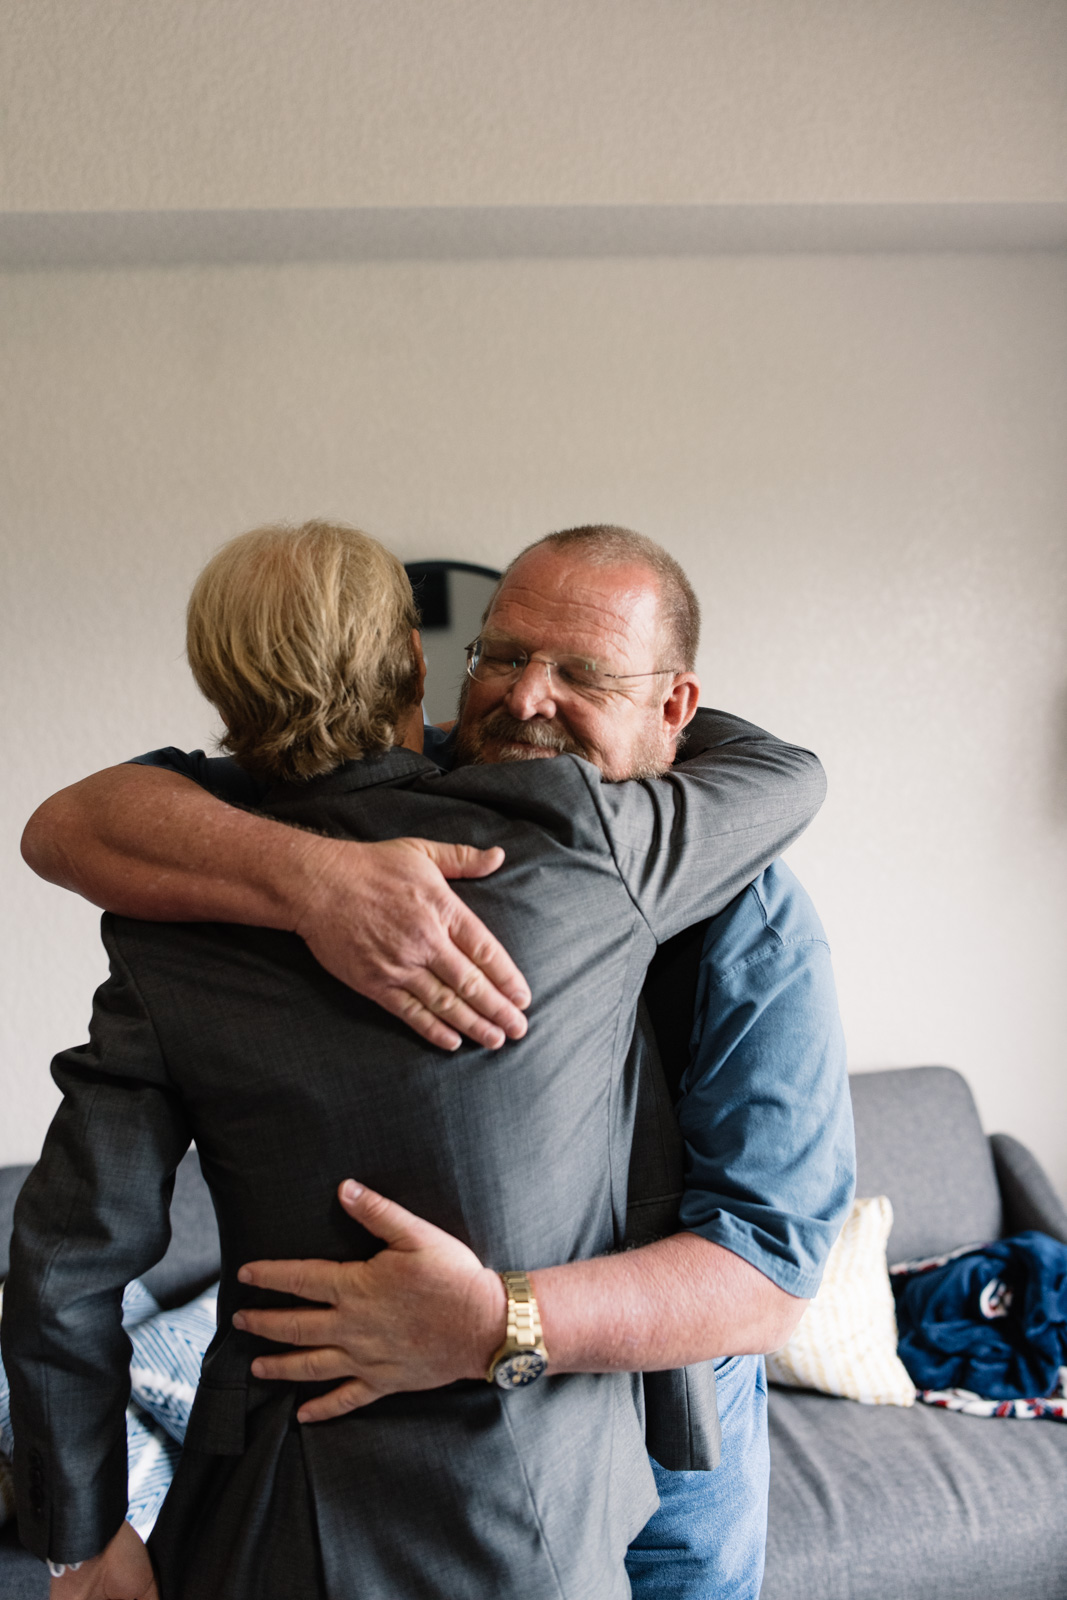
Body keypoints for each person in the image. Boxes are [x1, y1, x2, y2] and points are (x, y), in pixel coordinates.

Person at [20, 522, 854, 1600]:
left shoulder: (745, 911)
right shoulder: (257, 857)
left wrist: (490, 1324)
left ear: (677, 709)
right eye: (502, 657)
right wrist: (312, 878)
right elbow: (69, 825)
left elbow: (767, 1274)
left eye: (582, 673)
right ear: (431, 663)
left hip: (664, 1428)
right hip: (378, 1465)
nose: (522, 699)